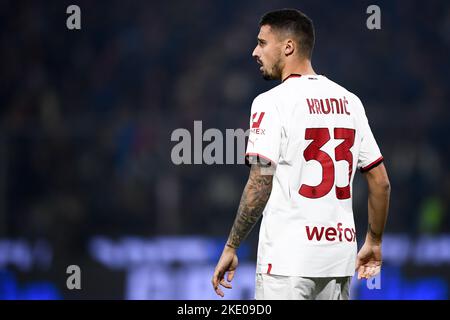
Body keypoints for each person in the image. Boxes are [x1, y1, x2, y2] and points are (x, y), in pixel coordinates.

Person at [211, 9, 390, 300]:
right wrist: (374, 240)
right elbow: (380, 182)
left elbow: (260, 182)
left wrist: (232, 246)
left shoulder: (271, 103)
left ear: (288, 46)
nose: (255, 51)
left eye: (262, 42)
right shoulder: (351, 102)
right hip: (338, 260)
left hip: (286, 264)